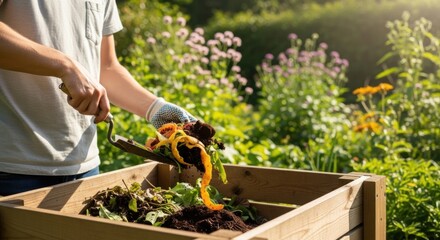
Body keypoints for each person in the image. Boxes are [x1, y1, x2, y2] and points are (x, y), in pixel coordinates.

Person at [0, 0, 196, 196]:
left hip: (85, 168)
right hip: (13, 169)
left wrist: (155, 108)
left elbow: (105, 67)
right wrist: (65, 66)